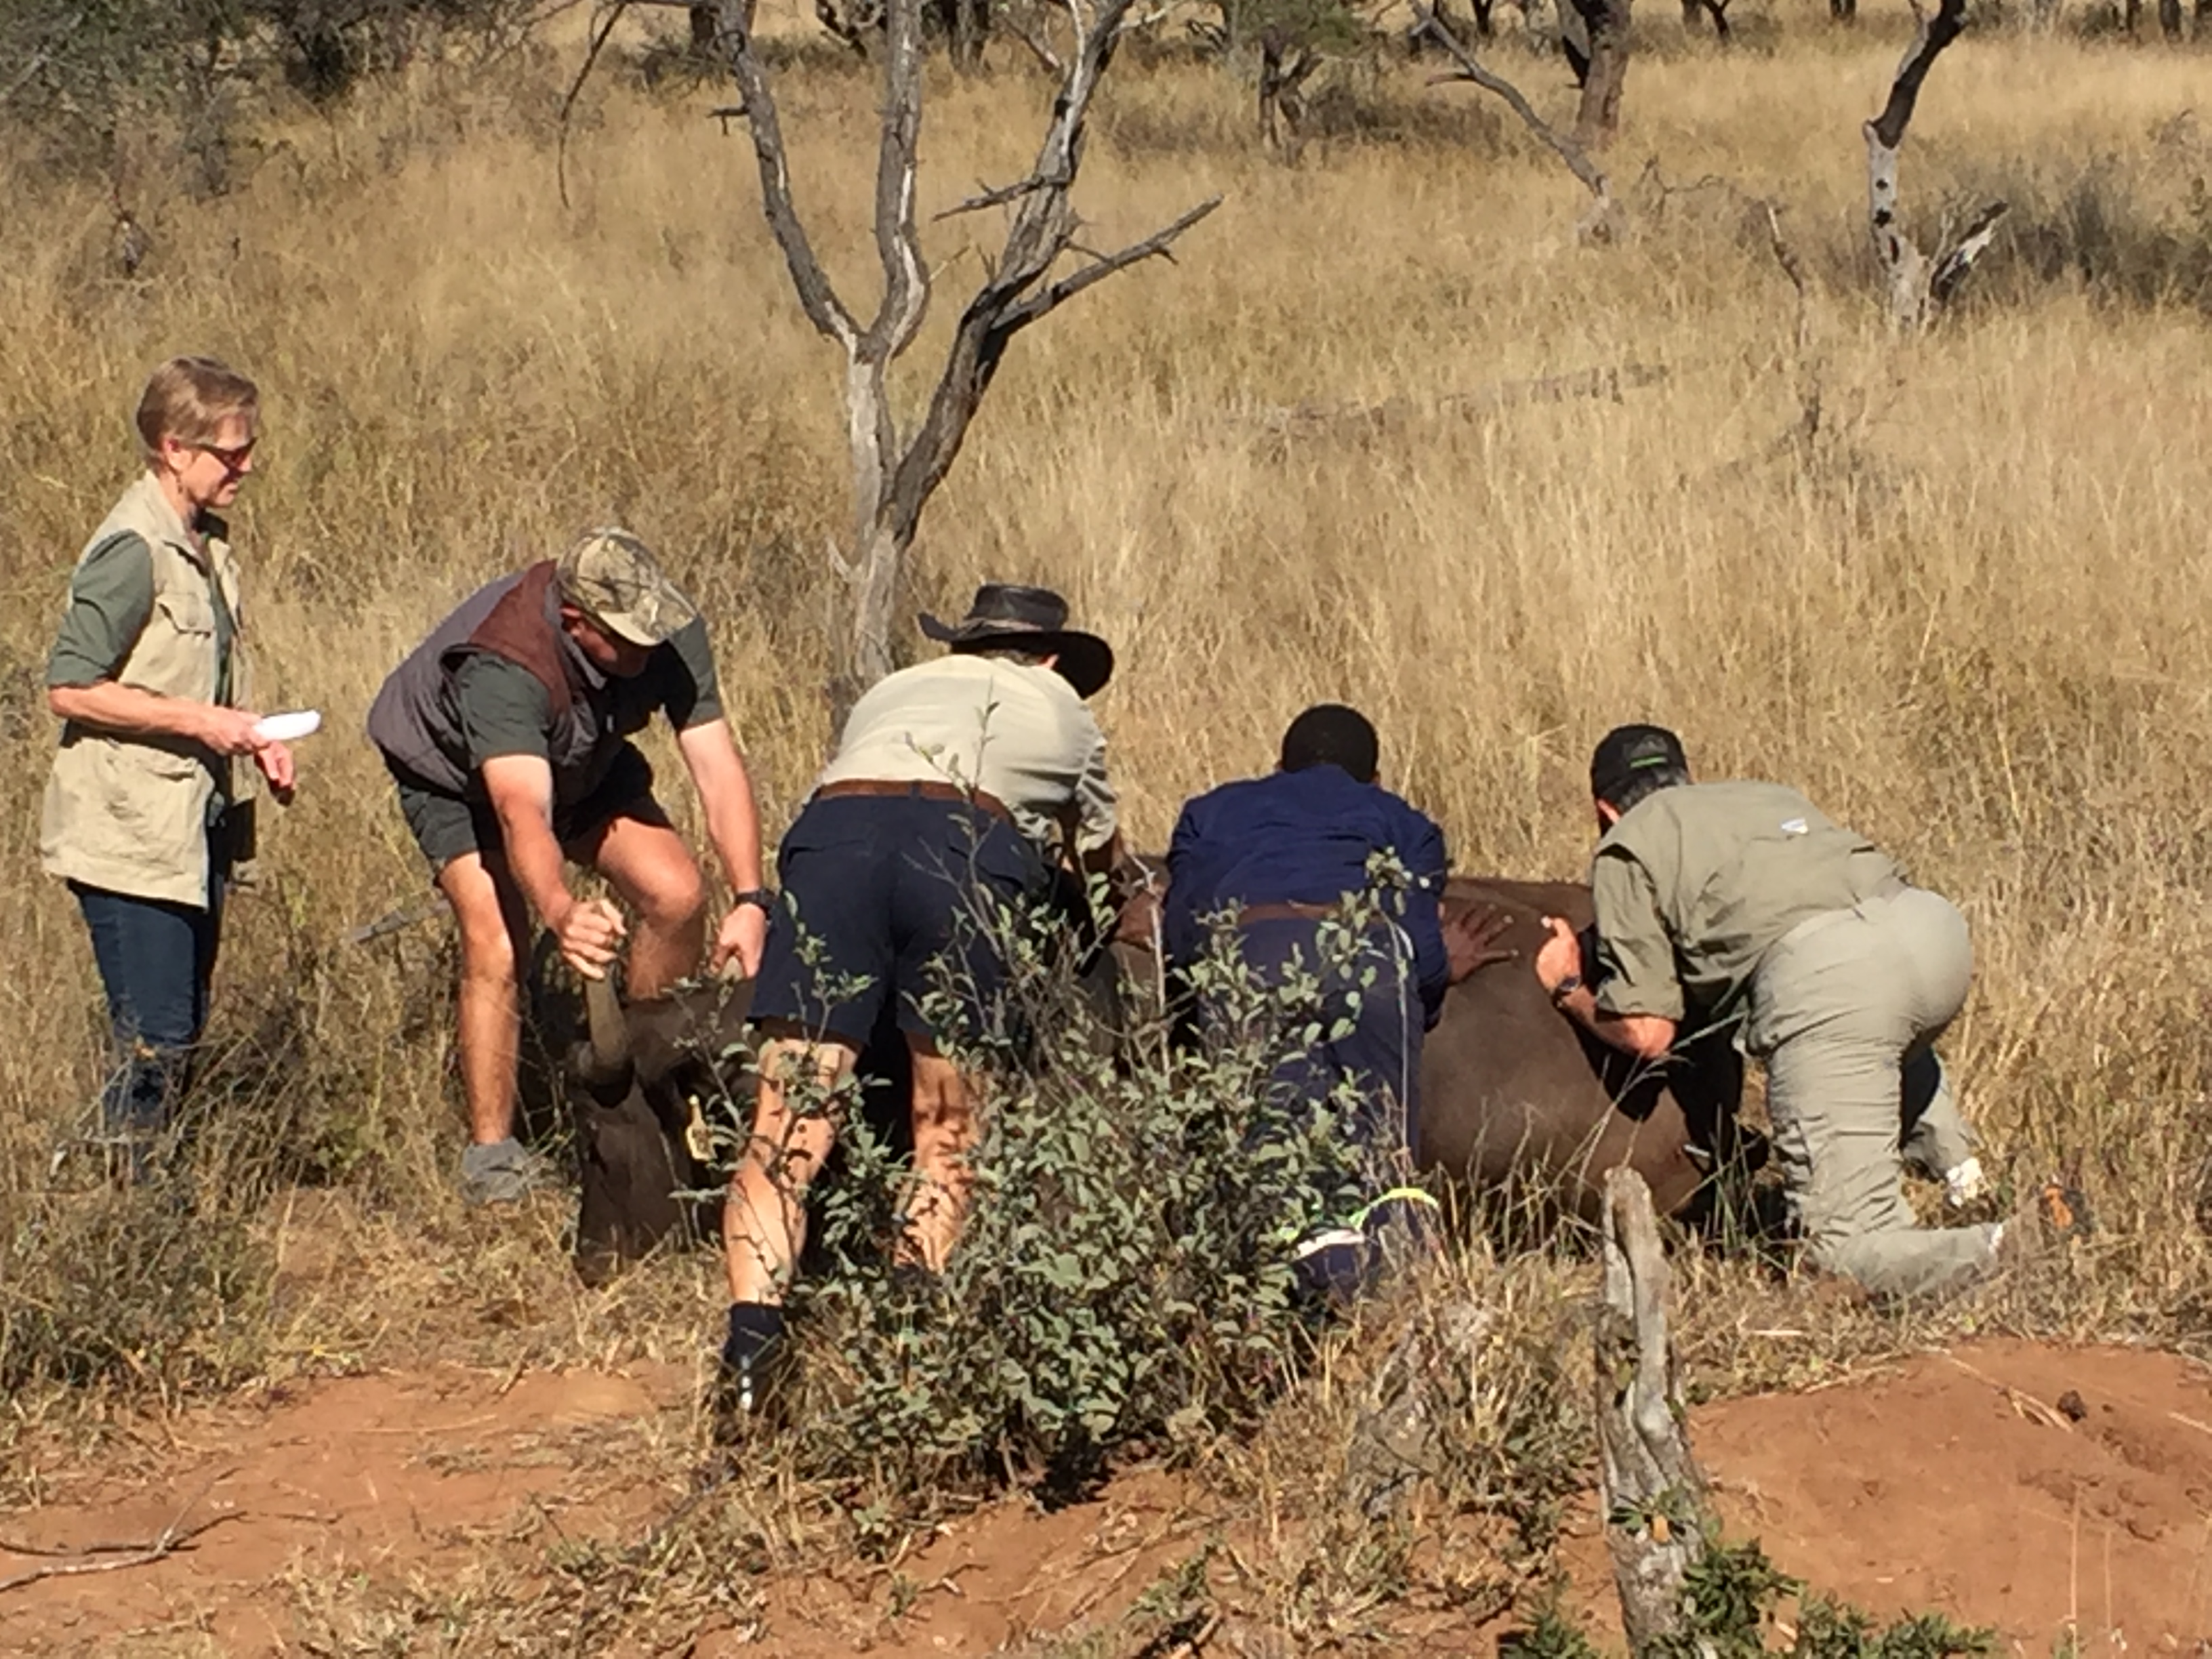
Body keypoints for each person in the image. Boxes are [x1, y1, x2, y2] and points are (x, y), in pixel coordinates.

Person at [719, 583, 1125, 1413]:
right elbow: (1101, 862)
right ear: (1049, 658)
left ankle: (751, 1365)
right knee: (946, 1130)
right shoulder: (1061, 707)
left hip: (833, 842)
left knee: (787, 1126)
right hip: (963, 845)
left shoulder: (891, 689)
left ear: (964, 648)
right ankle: (908, 1367)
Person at [367, 529, 769, 1205]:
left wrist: (753, 898)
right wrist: (561, 910)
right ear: (578, 623)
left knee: (677, 894)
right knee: (498, 942)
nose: (648, 647)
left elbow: (716, 766)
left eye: (652, 631)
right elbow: (521, 809)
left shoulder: (662, 627)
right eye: (627, 638)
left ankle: (641, 1085)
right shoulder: (505, 666)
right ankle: (492, 1160)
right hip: (455, 778)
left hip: (583, 758)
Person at [1532, 723, 1996, 1299]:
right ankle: (1962, 1173)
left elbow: (1649, 1035)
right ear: (1685, 776)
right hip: (1934, 935)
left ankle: (2005, 1253)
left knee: (1844, 1252)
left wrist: (1569, 986)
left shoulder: (1626, 847)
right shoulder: (1764, 795)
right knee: (1881, 1029)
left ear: (1605, 809)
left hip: (1835, 983)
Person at [42, 356, 298, 1176]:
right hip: (130, 837)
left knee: (178, 1030)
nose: (246, 466)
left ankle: (147, 1194)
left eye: (248, 447)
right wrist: (201, 721)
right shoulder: (132, 549)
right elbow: (70, 687)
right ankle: (128, 1213)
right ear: (171, 448)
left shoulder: (206, 543)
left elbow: (202, 674)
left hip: (194, 831)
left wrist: (255, 736)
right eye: (230, 452)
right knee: (154, 1039)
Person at [1162, 704, 1509, 1304]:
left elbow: (1182, 938)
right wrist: (1434, 975)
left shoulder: (1209, 812)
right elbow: (1423, 955)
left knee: (1271, 1157)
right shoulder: (1405, 821)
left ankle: (1285, 1316)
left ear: (1277, 768)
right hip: (1368, 959)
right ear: (1374, 781)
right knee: (1383, 1155)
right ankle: (1392, 1303)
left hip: (1248, 957)